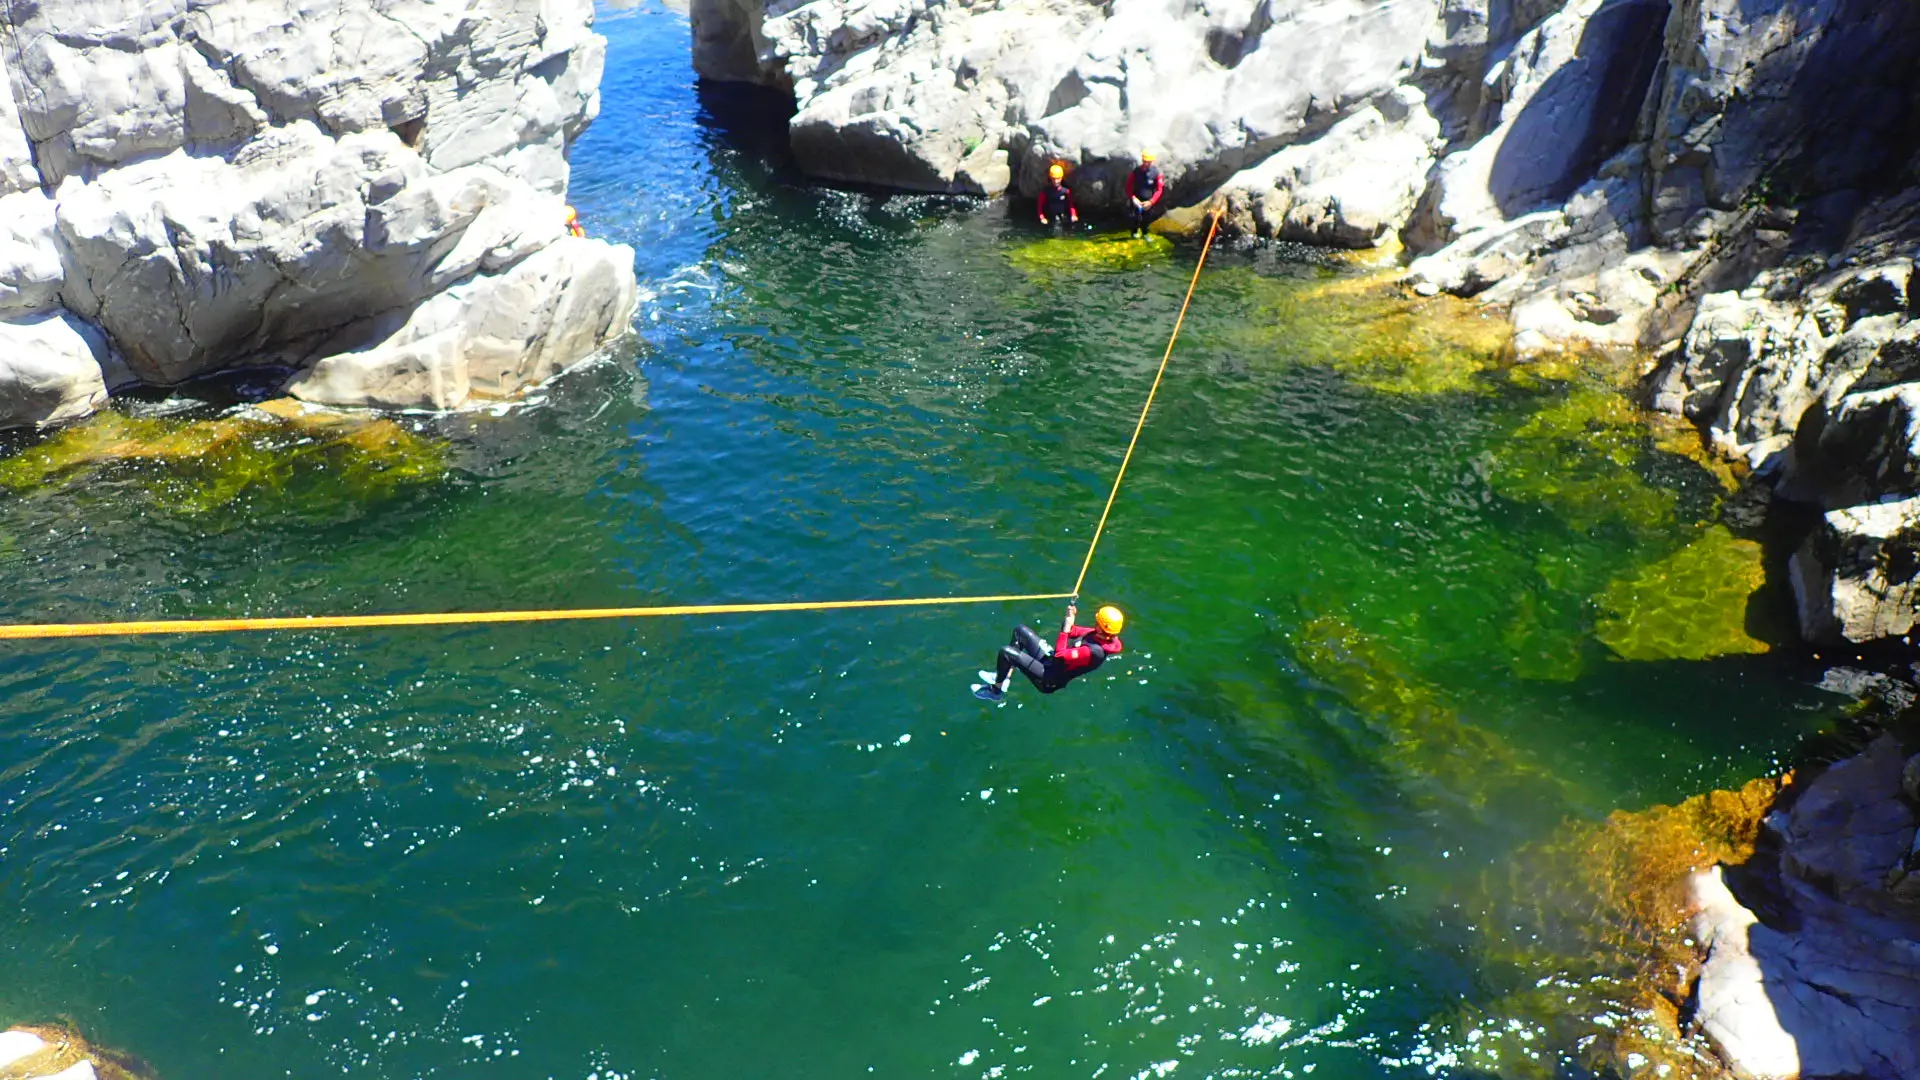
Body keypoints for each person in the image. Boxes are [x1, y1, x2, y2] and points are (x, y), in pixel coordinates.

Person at [977, 602, 1124, 701]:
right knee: (1020, 631)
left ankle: (995, 691)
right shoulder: (1097, 634)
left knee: (1006, 653)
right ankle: (1005, 677)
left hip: (1049, 678)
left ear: (1101, 626)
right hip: (1052, 662)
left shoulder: (1095, 652)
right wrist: (1070, 618)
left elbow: (1061, 654)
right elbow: (1071, 630)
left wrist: (1066, 630)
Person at [1125, 150, 1165, 237]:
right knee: (1135, 218)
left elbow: (1159, 189)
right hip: (1136, 200)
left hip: (1148, 201)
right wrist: (1133, 198)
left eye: (1148, 162)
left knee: (1146, 219)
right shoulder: (1136, 172)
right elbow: (1128, 187)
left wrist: (1151, 202)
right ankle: (1134, 233)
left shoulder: (1156, 173)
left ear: (1151, 161)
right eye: (1144, 161)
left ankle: (1145, 234)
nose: (1146, 163)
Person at [1037, 163, 1078, 232]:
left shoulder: (1066, 191)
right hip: (1051, 218)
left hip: (1063, 216)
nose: (1056, 181)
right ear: (1050, 178)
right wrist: (1042, 218)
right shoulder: (1046, 192)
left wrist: (1073, 215)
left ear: (1061, 178)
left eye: (1058, 179)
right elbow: (1040, 206)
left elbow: (1071, 205)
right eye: (1053, 179)